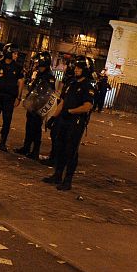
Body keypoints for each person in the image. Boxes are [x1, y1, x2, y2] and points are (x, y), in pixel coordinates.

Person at [42, 56, 96, 191]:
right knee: (59, 148)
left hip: (76, 122)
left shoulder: (88, 86)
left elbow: (87, 106)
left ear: (86, 70)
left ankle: (67, 181)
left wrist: (71, 112)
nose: (76, 70)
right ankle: (57, 175)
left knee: (70, 151)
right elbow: (63, 102)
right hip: (64, 120)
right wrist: (54, 117)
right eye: (76, 67)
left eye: (79, 68)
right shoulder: (71, 83)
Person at [15, 51, 56, 159]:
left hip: (39, 107)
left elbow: (48, 93)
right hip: (32, 105)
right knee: (29, 127)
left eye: (38, 62)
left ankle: (35, 151)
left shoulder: (49, 76)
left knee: (36, 129)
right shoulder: (39, 74)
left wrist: (38, 105)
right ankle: (26, 147)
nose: (36, 64)